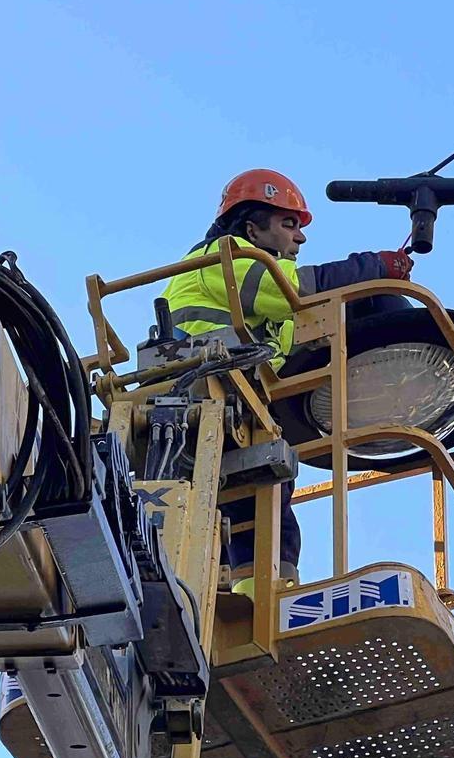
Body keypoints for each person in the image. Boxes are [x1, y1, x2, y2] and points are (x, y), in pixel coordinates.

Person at [161, 169, 413, 586]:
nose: (300, 237)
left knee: (267, 501)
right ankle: (254, 601)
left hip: (233, 402)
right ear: (251, 227)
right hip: (200, 393)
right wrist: (373, 267)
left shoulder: (263, 308)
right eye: (288, 224)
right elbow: (295, 292)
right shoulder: (227, 257)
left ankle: (260, 597)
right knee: (257, 501)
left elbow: (297, 345)